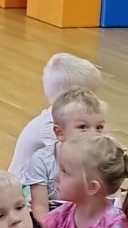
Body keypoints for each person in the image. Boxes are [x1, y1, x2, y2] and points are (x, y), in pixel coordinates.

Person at [9, 52, 103, 187]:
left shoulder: (61, 117)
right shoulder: (52, 126)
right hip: (25, 189)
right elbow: (79, 161)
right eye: (89, 95)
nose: (94, 100)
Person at [19, 85, 108, 220]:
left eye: (99, 127)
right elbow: (40, 209)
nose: (93, 134)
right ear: (60, 132)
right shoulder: (43, 160)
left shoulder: (104, 158)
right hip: (52, 221)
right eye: (83, 127)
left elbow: (112, 204)